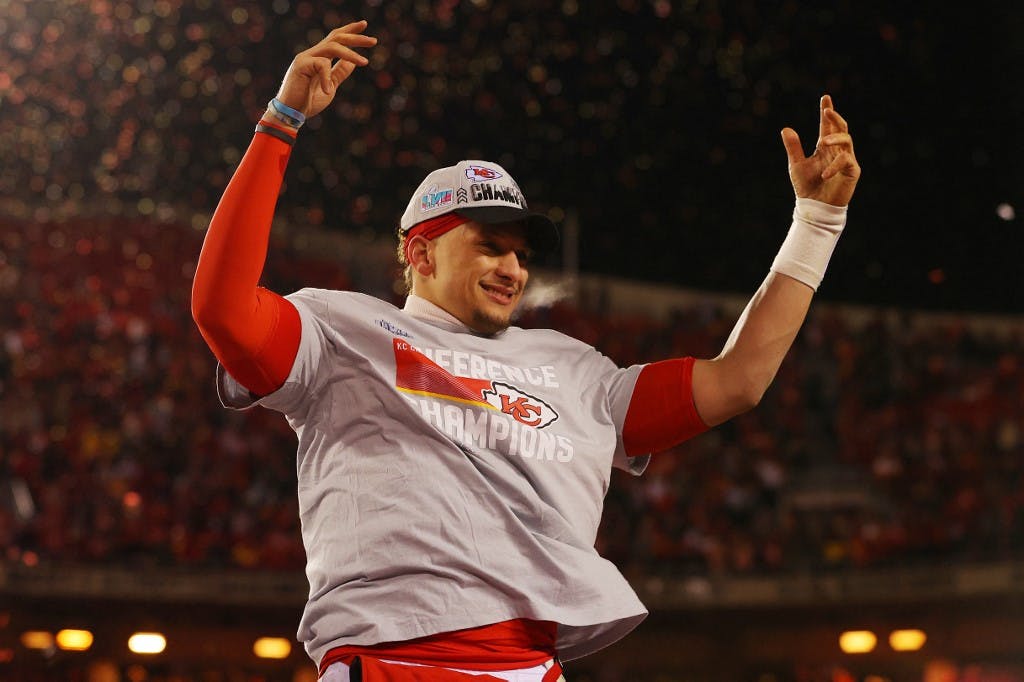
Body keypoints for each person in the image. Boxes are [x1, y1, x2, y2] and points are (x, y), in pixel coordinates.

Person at [191, 20, 860, 682]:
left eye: (520, 251)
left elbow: (738, 382)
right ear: (420, 252)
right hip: (394, 662)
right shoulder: (340, 329)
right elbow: (221, 309)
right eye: (489, 245)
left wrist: (817, 223)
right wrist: (281, 123)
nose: (513, 268)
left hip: (533, 669)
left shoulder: (574, 370)